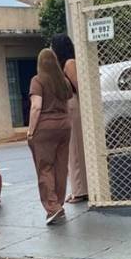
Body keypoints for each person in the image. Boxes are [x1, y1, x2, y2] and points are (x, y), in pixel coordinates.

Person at [28, 48, 73, 225]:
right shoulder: (63, 81)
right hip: (64, 125)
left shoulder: (37, 80)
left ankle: (52, 207)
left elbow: (36, 107)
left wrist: (31, 130)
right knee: (61, 166)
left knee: (45, 167)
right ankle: (59, 204)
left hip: (45, 127)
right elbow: (68, 102)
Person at [51, 33, 88, 204]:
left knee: (75, 149)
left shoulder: (69, 63)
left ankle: (80, 191)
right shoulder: (60, 65)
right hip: (67, 107)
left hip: (73, 106)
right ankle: (77, 188)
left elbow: (80, 87)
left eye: (53, 46)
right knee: (69, 151)